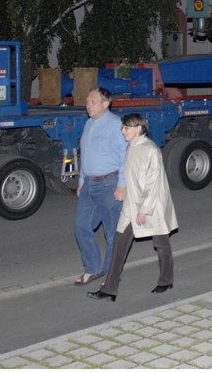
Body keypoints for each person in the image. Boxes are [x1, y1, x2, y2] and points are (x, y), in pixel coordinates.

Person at [88, 113, 179, 301]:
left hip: (153, 206)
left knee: (161, 244)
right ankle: (109, 288)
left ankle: (166, 279)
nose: (122, 131)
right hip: (132, 205)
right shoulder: (131, 148)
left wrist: (144, 210)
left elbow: (154, 183)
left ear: (138, 128)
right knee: (119, 242)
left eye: (126, 128)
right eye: (123, 127)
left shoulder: (150, 150)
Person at [74, 87, 128, 287]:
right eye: (87, 102)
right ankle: (93, 268)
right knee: (81, 226)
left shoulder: (116, 125)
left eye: (92, 102)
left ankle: (112, 274)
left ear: (106, 104)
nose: (88, 105)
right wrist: (81, 181)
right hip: (89, 184)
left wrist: (122, 185)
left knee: (113, 233)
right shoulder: (89, 124)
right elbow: (85, 154)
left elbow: (125, 156)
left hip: (109, 184)